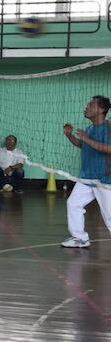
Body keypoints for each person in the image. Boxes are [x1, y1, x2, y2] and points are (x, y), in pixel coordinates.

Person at [61, 95, 111, 249]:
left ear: (101, 109)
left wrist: (86, 139)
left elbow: (109, 149)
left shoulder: (109, 127)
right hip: (87, 177)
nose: (86, 107)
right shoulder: (89, 129)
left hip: (104, 178)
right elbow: (83, 145)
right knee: (73, 204)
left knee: (109, 216)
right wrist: (69, 135)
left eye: (90, 105)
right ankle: (80, 238)